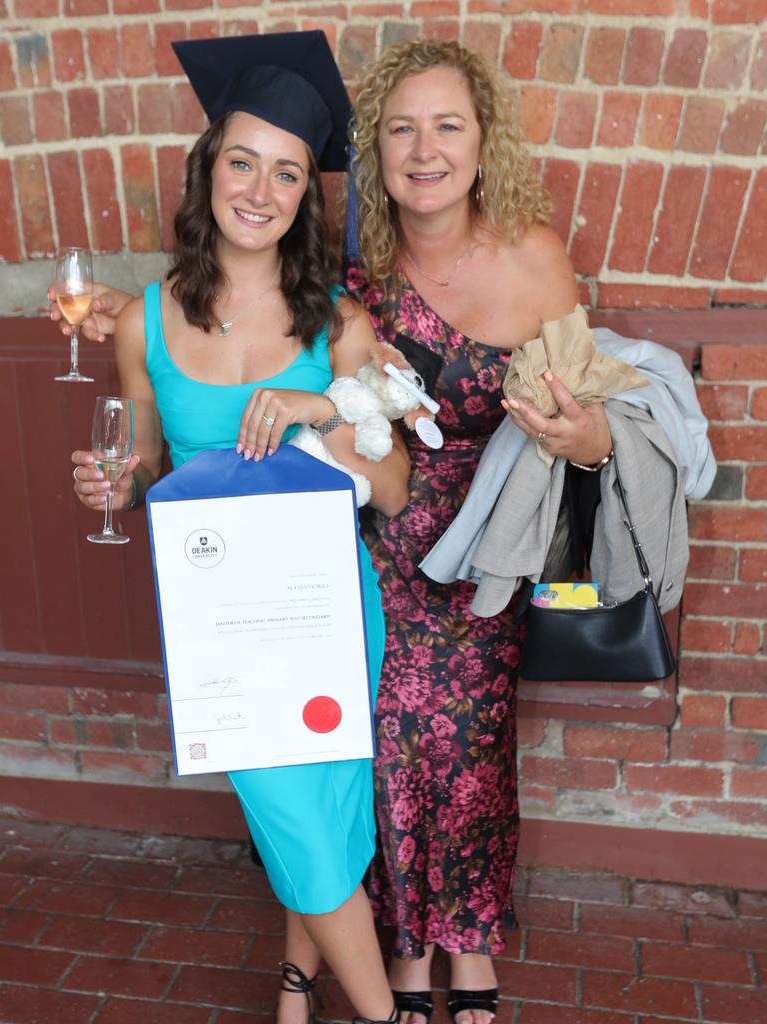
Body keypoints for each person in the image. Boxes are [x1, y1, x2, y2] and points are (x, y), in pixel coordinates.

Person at [69, 31, 410, 1024]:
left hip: (329, 612)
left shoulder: (338, 327)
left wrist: (319, 410)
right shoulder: (145, 321)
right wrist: (112, 479)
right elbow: (140, 467)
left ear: (309, 192)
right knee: (300, 822)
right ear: (209, 167)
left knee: (323, 823)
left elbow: (390, 488)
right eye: (242, 162)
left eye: (288, 172)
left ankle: (299, 982)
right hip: (226, 620)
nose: (259, 190)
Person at [343, 38, 614, 1024]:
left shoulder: (533, 257)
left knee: (472, 744)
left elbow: (594, 431)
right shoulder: (356, 272)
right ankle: (408, 949)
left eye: (446, 124)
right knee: (386, 746)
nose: (425, 149)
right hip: (375, 540)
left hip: (486, 553)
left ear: (481, 137)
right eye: (401, 127)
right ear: (376, 147)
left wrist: (578, 430)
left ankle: (468, 941)